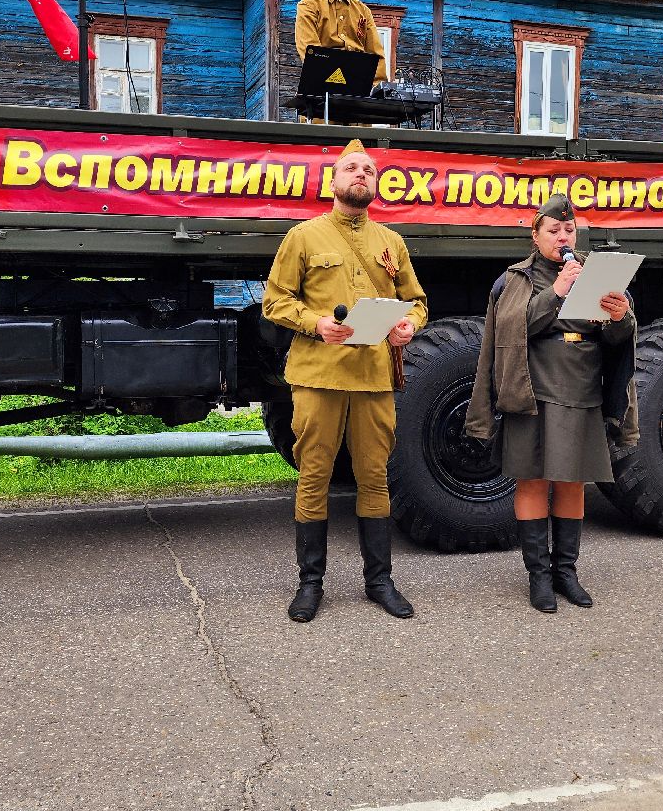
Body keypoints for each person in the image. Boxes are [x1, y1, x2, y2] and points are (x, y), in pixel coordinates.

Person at [262, 139, 428, 622]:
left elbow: (416, 301)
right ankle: (309, 584)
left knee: (374, 477)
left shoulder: (390, 242)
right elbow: (275, 301)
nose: (361, 175)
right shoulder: (304, 237)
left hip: (375, 377)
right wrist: (318, 324)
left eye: (369, 170)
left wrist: (408, 327)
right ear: (333, 182)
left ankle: (379, 581)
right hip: (319, 376)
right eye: (352, 168)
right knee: (313, 476)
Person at [464, 194, 638, 613]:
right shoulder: (516, 280)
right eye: (554, 231)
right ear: (535, 235)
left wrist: (620, 318)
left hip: (581, 392)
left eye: (569, 230)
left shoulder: (593, 274)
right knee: (533, 481)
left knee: (573, 481)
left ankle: (566, 572)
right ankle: (538, 577)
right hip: (534, 394)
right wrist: (558, 291)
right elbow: (511, 330)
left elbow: (616, 341)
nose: (563, 237)